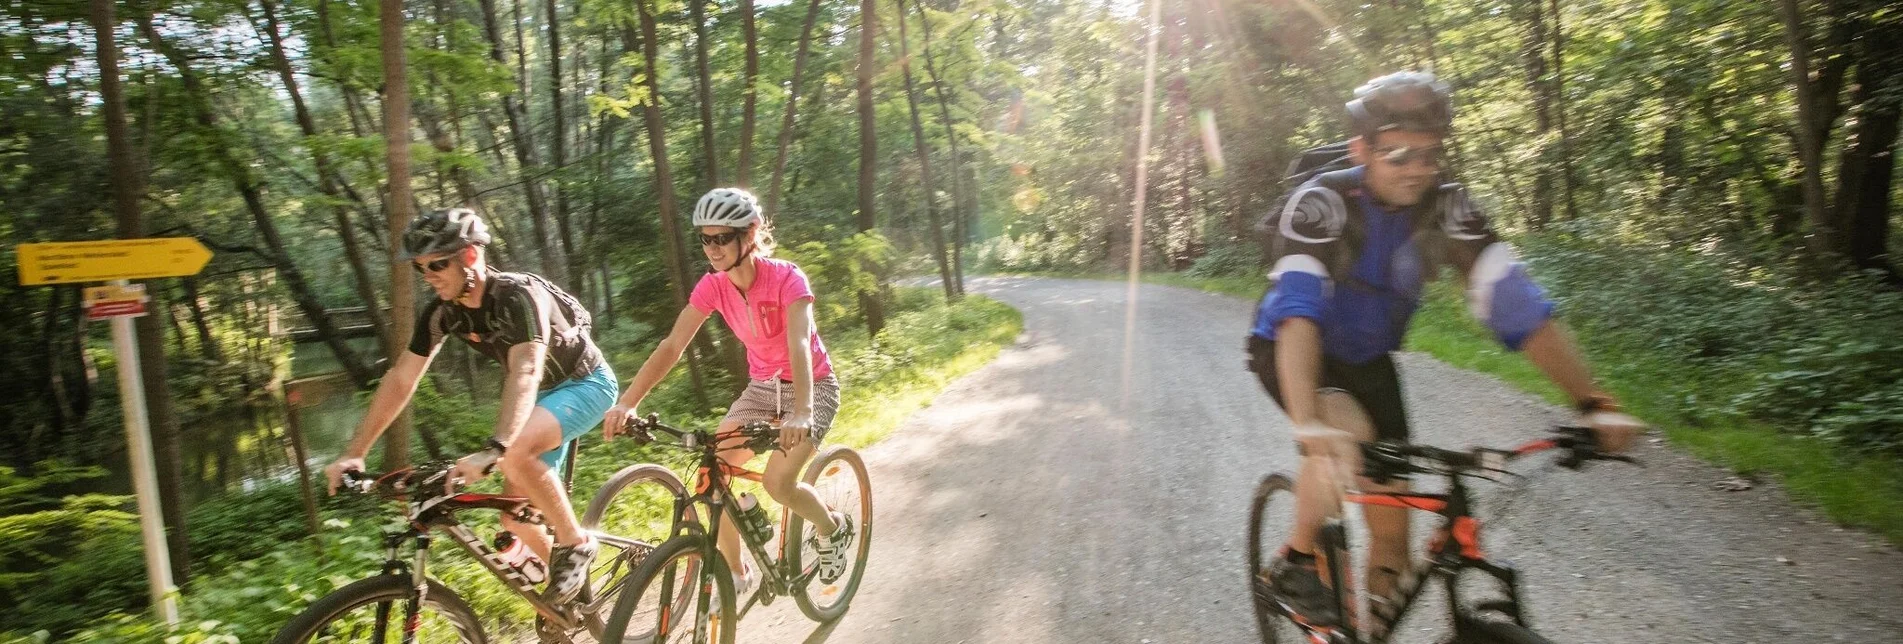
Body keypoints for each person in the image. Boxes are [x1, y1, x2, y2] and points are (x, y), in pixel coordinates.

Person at [1247, 72, 1646, 628]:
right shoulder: (1322, 204)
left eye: (1430, 155)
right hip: (1292, 348)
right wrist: (1309, 420)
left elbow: (1515, 303)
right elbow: (1298, 311)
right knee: (1341, 436)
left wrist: (1591, 399)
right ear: (1362, 150)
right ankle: (1296, 559)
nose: (1417, 169)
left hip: (1368, 361)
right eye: (1400, 154)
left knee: (1393, 536)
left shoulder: (1447, 209)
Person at [323, 208, 617, 604]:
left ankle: (577, 543)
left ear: (471, 256)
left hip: (585, 383)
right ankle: (579, 600)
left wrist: (495, 449)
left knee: (514, 455)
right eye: (421, 268)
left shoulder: (517, 295)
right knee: (514, 520)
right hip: (541, 398)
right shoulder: (443, 312)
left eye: (437, 264)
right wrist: (354, 453)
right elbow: (401, 379)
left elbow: (526, 370)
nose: (428, 276)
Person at [602, 187, 853, 598]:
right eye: (705, 238)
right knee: (710, 476)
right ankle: (738, 574)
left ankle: (832, 528)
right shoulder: (712, 286)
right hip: (760, 390)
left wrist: (803, 410)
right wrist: (629, 401)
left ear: (750, 233)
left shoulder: (787, 278)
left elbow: (799, 344)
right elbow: (672, 346)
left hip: (814, 386)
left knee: (778, 485)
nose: (713, 248)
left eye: (722, 238)